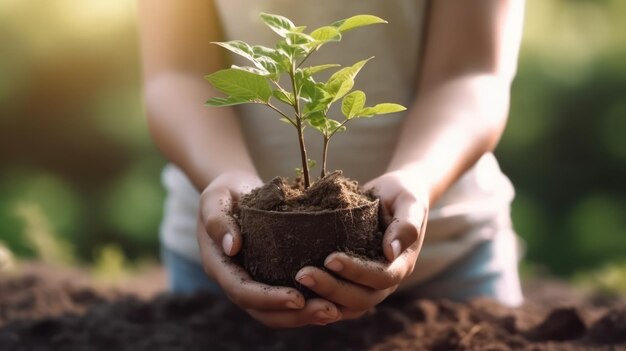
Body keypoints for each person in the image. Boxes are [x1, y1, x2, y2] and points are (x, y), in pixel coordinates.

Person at [138, 0, 526, 328]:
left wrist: (419, 178)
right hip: (227, 265)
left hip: (448, 264)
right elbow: (176, 73)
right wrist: (222, 177)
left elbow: (471, 72)